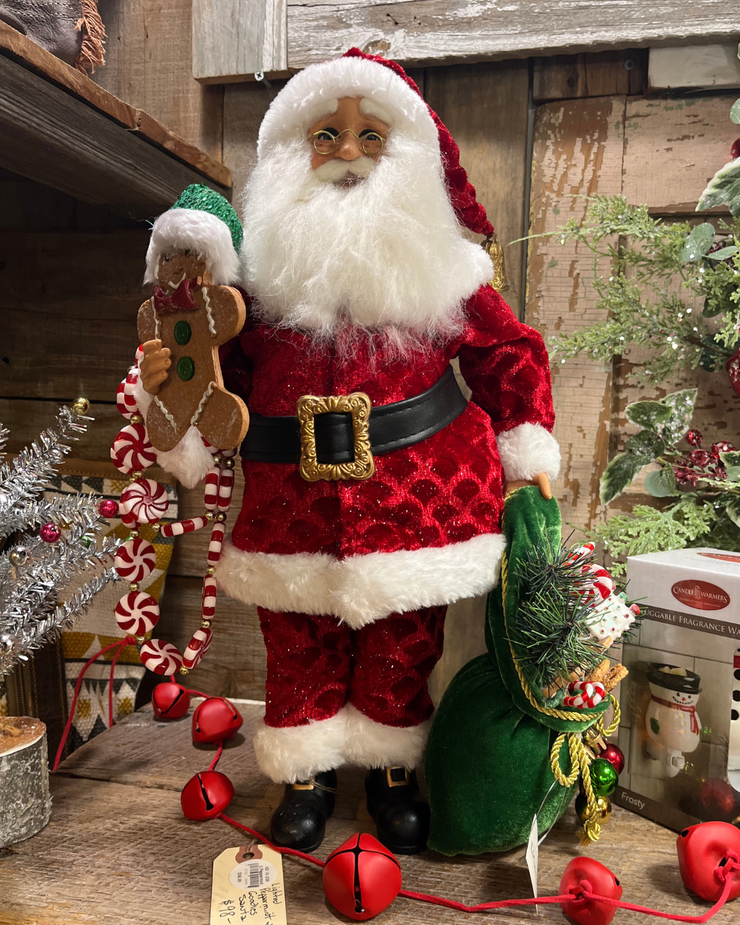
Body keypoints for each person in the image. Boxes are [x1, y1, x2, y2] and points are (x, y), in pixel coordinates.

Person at [136, 49, 559, 854]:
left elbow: (508, 352)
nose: (350, 154)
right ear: (289, 155)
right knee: (298, 643)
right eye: (326, 135)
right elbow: (219, 379)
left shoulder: (447, 271)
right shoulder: (252, 288)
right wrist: (172, 390)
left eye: (372, 135)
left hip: (423, 499)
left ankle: (392, 771)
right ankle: (308, 774)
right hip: (288, 503)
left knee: (405, 641)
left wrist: (525, 437)